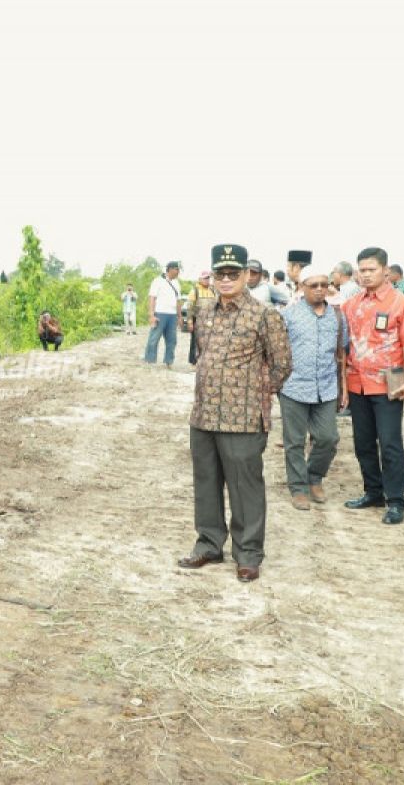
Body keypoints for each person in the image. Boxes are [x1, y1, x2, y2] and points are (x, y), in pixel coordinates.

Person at [177, 244, 292, 584]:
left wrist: (255, 391)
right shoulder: (205, 311)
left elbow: (282, 363)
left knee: (246, 489)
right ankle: (209, 543)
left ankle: (248, 554)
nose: (225, 279)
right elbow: (202, 353)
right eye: (220, 274)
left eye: (232, 273)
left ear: (246, 275)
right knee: (206, 483)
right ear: (213, 277)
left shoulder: (264, 315)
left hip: (243, 419)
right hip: (204, 416)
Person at [341, 247, 404, 525]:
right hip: (357, 383)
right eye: (361, 270)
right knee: (363, 443)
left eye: (371, 269)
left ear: (385, 271)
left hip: (390, 384)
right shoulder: (351, 305)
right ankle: (373, 492)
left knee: (390, 443)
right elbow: (344, 346)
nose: (365, 275)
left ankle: (397, 499)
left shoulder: (401, 303)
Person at [278, 266, 347, 511]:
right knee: (294, 441)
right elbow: (277, 350)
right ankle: (298, 488)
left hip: (326, 387)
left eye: (323, 285)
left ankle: (314, 477)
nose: (319, 290)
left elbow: (342, 352)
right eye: (313, 285)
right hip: (293, 386)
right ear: (302, 287)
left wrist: (344, 387)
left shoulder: (338, 316)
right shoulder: (288, 315)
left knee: (328, 438)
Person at [144, 261, 182, 367]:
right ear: (170, 269)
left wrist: (179, 316)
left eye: (179, 269)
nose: (178, 272)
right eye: (177, 269)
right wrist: (151, 315)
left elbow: (178, 301)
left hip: (172, 315)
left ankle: (168, 361)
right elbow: (152, 298)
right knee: (154, 338)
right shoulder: (157, 281)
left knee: (172, 340)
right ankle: (150, 360)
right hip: (160, 313)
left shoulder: (177, 283)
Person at [185, 270, 216, 365]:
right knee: (195, 342)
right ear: (200, 279)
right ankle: (193, 362)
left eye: (208, 278)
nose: (207, 280)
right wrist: (190, 322)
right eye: (205, 278)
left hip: (210, 320)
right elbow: (190, 307)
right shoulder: (195, 290)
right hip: (197, 320)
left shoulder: (212, 290)